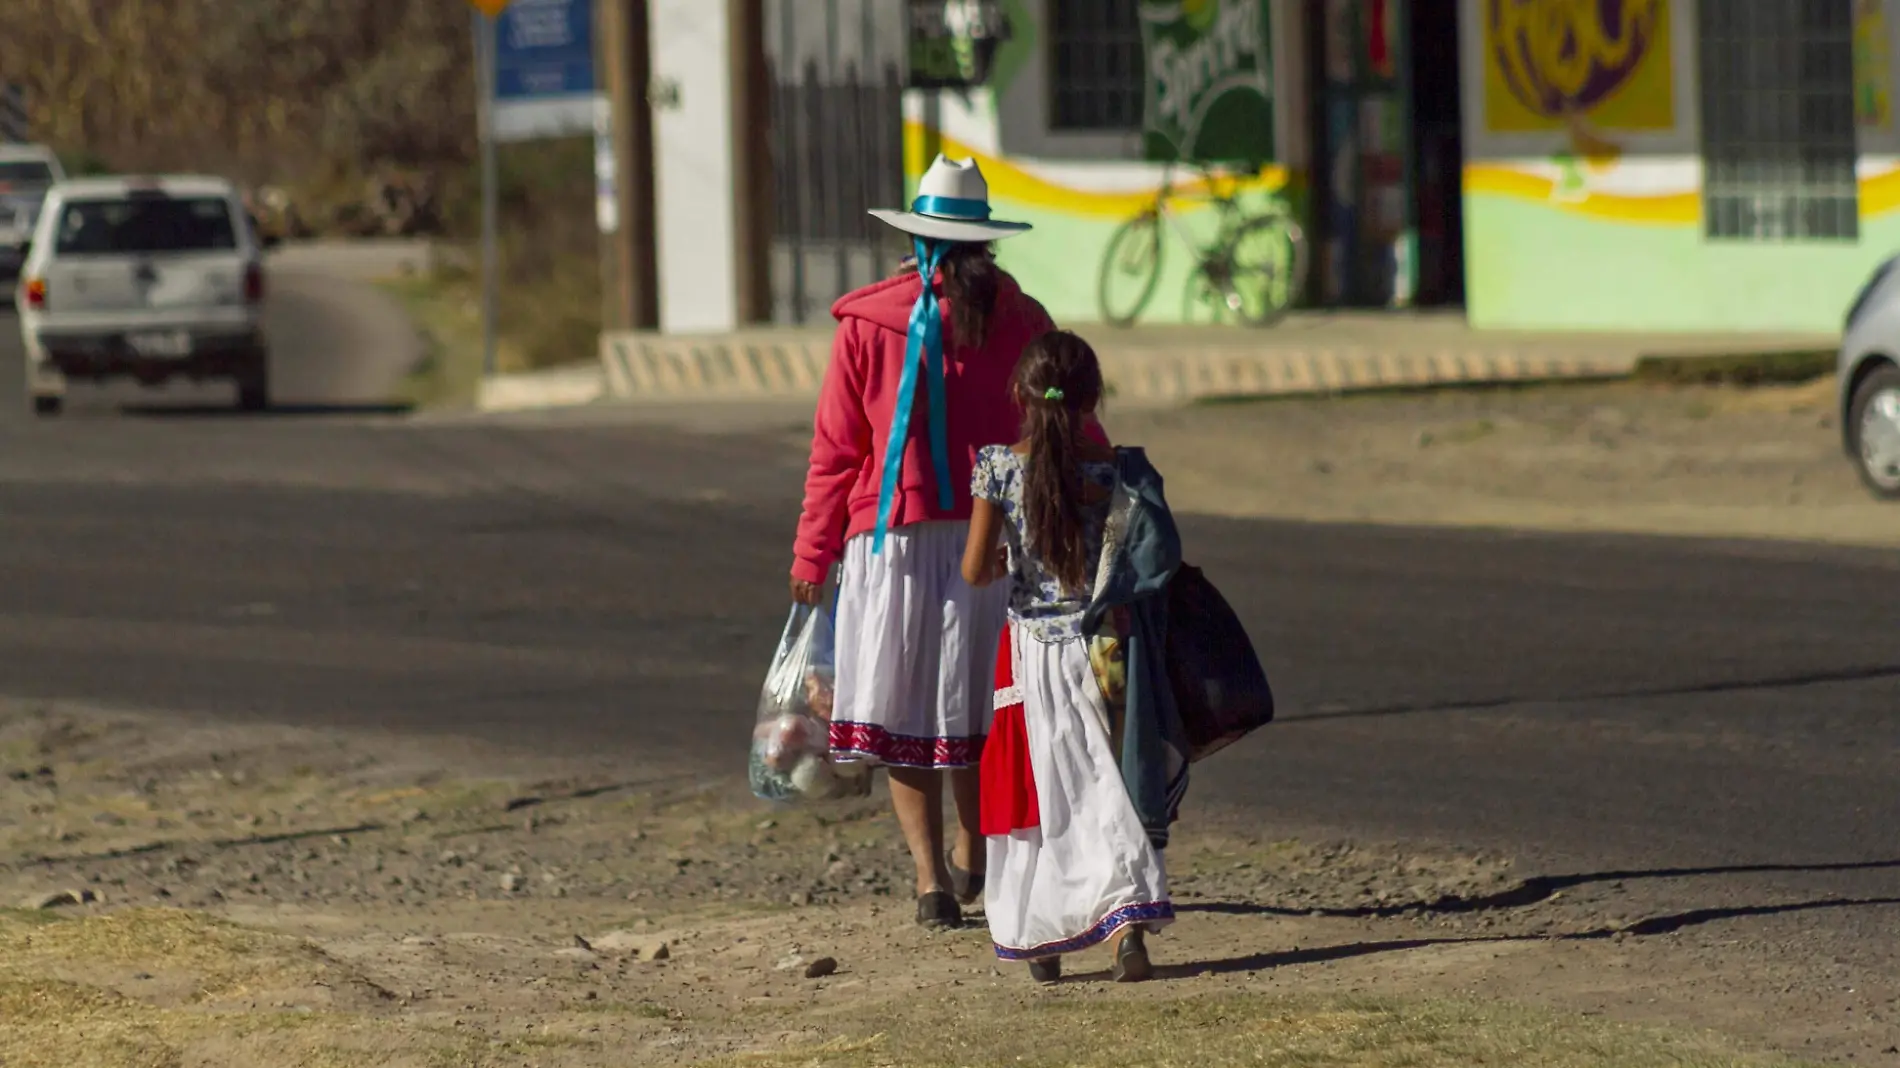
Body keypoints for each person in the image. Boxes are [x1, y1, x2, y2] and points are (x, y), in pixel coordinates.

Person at [790, 155, 1064, 929]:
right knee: (980, 702)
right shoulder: (1024, 320)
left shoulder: (866, 326)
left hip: (893, 543)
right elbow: (1053, 426)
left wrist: (813, 556)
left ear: (917, 242)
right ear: (985, 243)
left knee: (907, 712)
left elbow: (835, 452)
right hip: (993, 539)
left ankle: (929, 883)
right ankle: (977, 851)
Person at [963, 330, 1190, 984]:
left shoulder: (998, 468)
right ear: (1093, 396)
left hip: (1032, 654)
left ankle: (1046, 935)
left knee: (1043, 788)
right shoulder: (1119, 471)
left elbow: (976, 570)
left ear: (1020, 395)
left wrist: (1015, 559)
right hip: (1109, 645)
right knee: (1110, 782)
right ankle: (1127, 933)